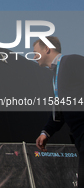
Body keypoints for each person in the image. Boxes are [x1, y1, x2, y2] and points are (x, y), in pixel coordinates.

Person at [34, 36, 84, 187]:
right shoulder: (55, 77)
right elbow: (59, 111)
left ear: (47, 49)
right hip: (79, 136)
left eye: (36, 52)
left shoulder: (72, 61)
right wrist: (46, 132)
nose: (34, 56)